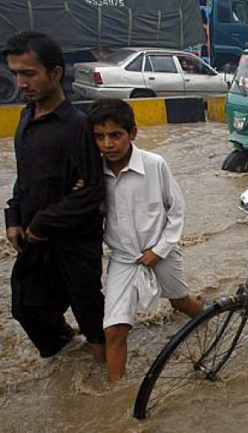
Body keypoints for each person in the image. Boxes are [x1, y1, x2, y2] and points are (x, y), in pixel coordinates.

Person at [3, 32, 106, 360]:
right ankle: (64, 350)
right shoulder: (24, 118)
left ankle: (109, 384)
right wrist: (14, 218)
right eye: (16, 73)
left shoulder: (79, 126)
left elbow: (92, 191)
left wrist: (44, 221)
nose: (21, 82)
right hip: (34, 237)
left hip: (74, 242)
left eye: (29, 73)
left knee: (91, 315)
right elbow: (25, 177)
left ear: (56, 74)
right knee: (25, 306)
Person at [88, 99, 203, 383]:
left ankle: (214, 321)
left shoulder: (154, 165)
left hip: (161, 252)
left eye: (115, 135)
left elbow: (176, 210)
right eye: (100, 137)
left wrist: (159, 249)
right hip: (124, 260)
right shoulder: (93, 173)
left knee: (181, 303)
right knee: (114, 330)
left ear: (133, 133)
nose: (108, 144)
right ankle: (117, 397)